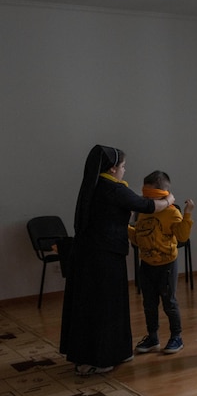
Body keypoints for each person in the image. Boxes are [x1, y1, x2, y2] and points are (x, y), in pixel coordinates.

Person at [61, 145, 177, 376]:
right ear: (113, 168)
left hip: (93, 255)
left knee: (107, 304)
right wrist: (169, 199)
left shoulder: (94, 186)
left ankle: (119, 350)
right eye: (123, 166)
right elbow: (147, 205)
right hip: (104, 257)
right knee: (106, 307)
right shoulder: (112, 188)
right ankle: (102, 358)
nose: (125, 170)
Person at [128, 171, 195, 355]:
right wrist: (126, 228)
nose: (146, 199)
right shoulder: (143, 213)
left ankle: (176, 337)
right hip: (147, 265)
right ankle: (152, 337)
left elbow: (182, 236)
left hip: (166, 265)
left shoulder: (171, 212)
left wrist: (187, 215)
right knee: (149, 303)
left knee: (169, 302)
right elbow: (138, 239)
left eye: (151, 195)